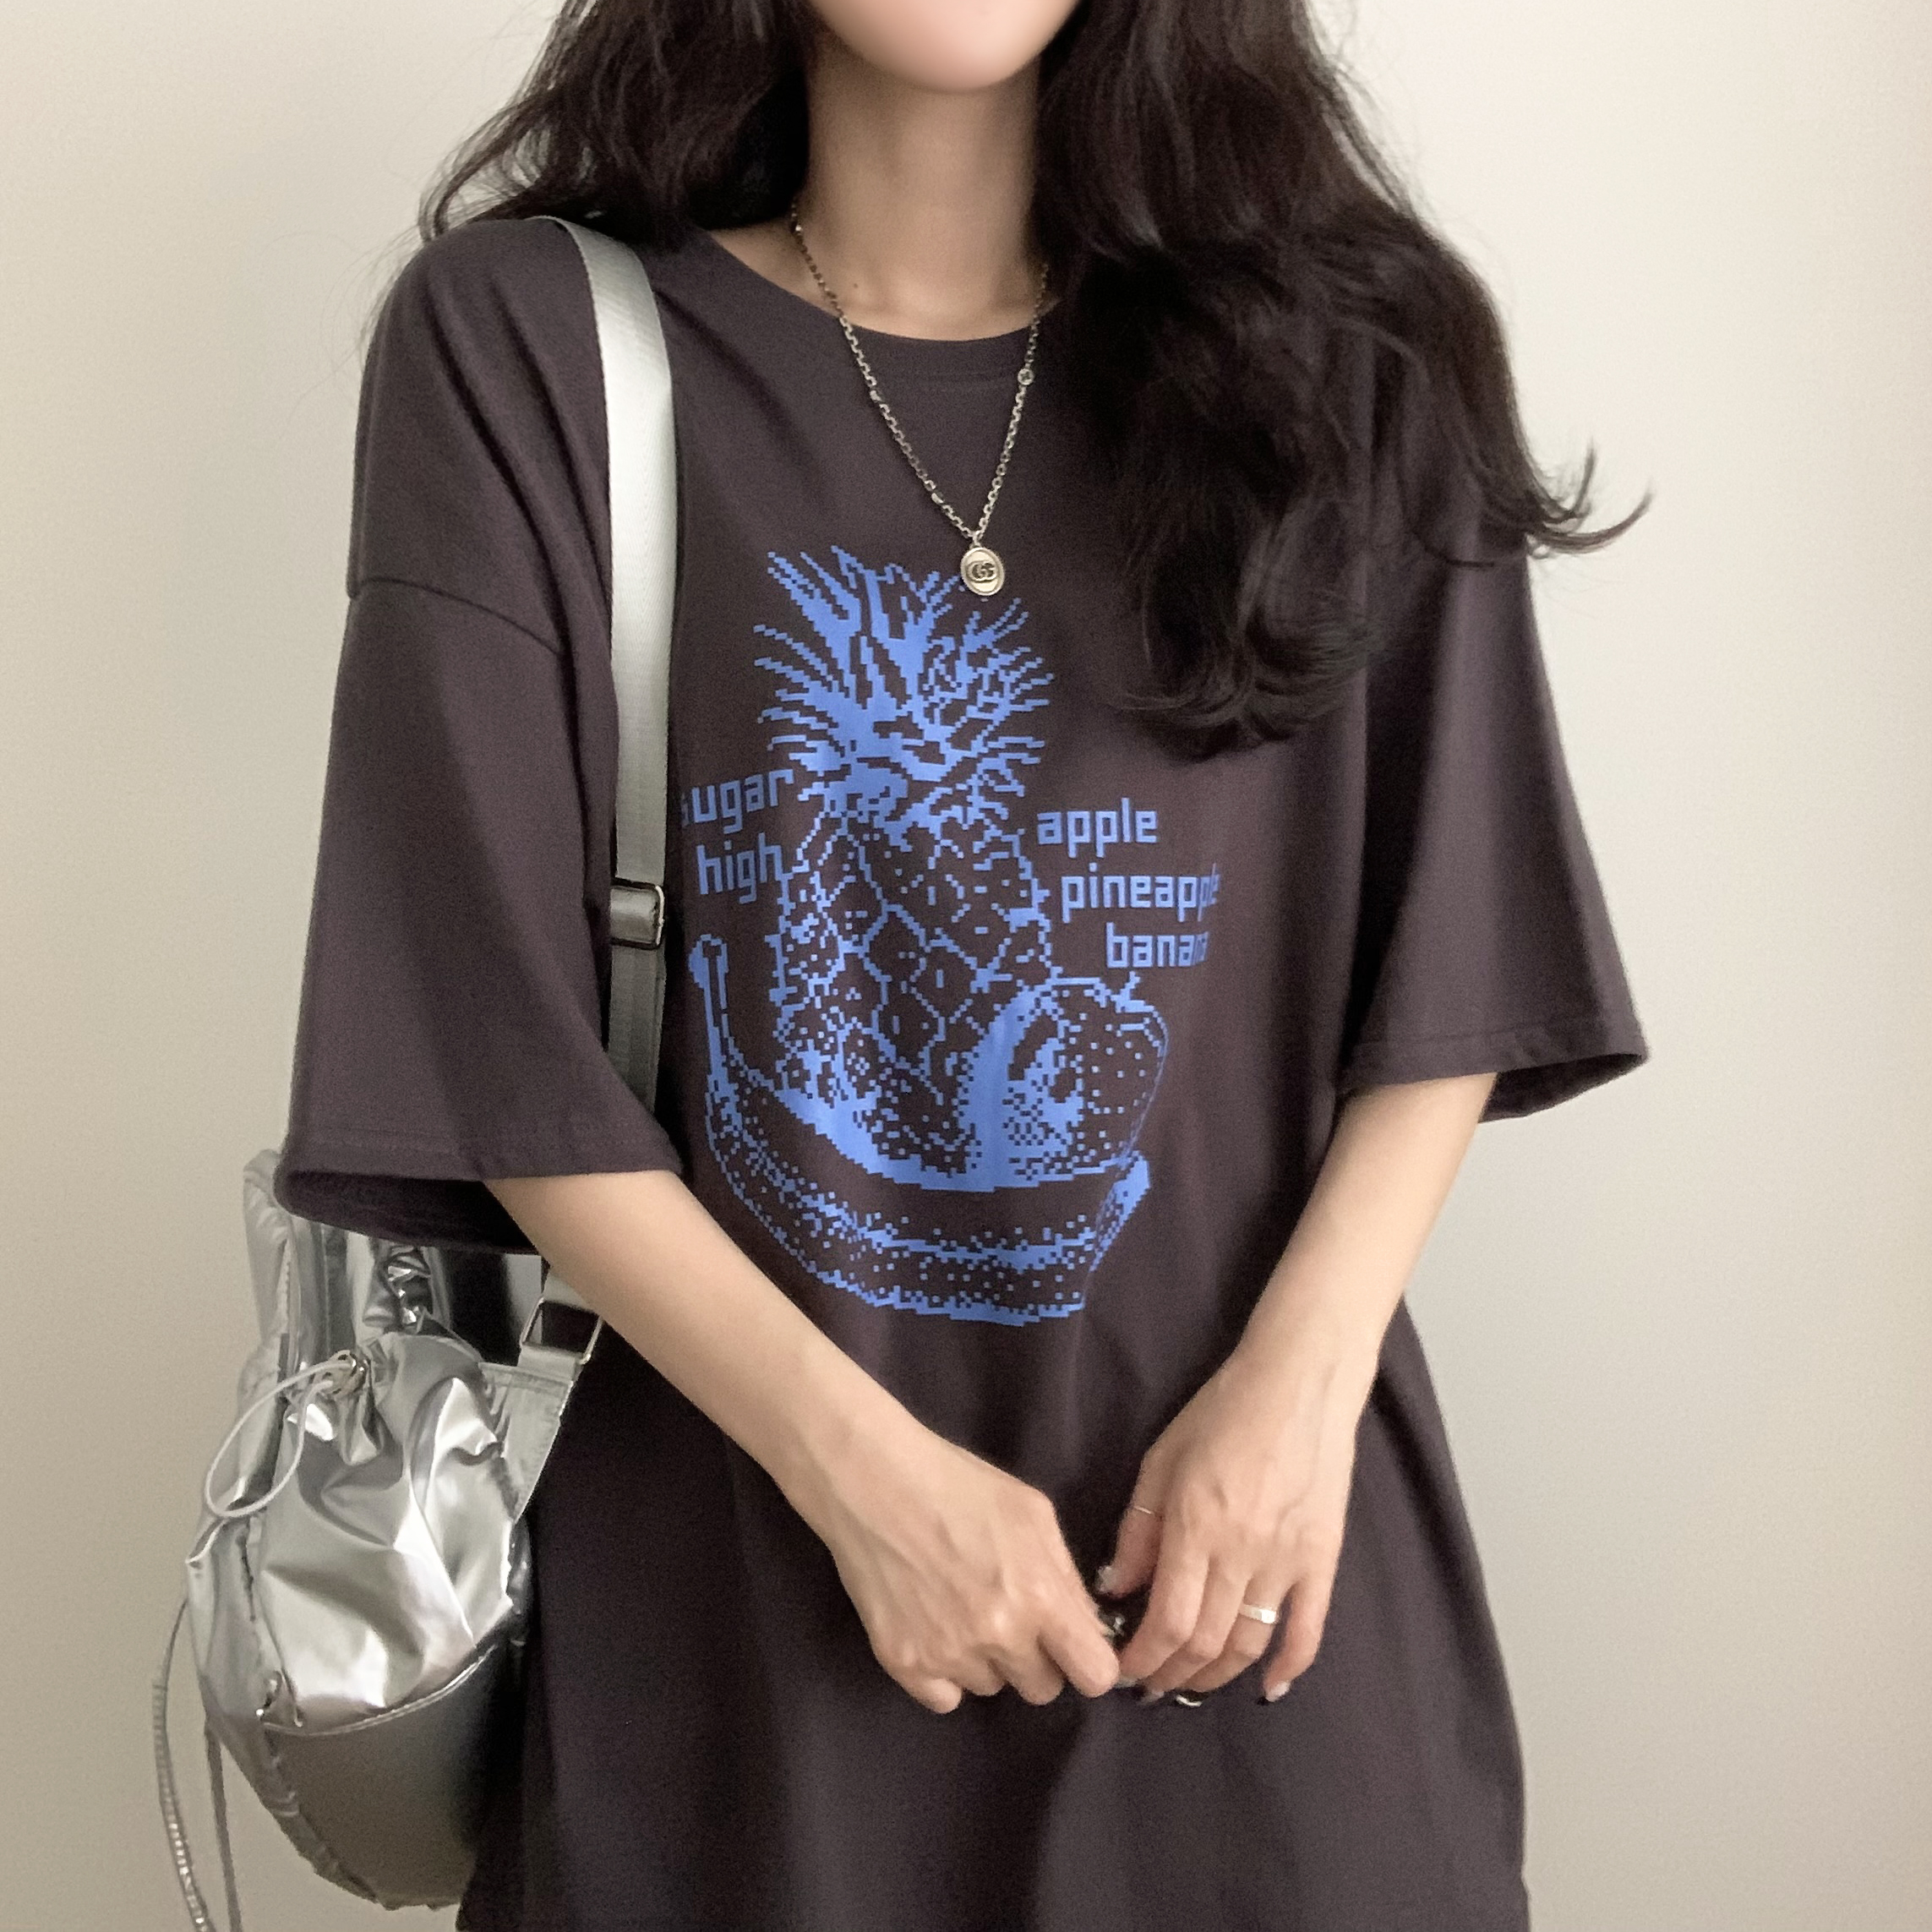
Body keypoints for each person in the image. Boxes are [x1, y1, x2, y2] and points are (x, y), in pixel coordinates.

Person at [275, 0, 1651, 1925]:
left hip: (1248, 1598)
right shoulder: (535, 351)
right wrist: (864, 1481)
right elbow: (491, 1038)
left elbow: (1455, 945)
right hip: (741, 1624)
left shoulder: (1354, 359)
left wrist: (1294, 1399)